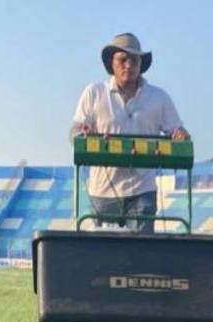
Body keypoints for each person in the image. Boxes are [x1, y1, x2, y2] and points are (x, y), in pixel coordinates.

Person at [70, 32, 190, 233]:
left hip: (142, 189)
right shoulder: (94, 93)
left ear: (141, 64)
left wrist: (180, 135)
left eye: (134, 60)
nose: (129, 65)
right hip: (103, 191)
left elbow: (178, 131)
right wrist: (84, 132)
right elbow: (75, 132)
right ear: (112, 62)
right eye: (123, 59)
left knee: (141, 249)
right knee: (103, 249)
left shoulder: (159, 97)